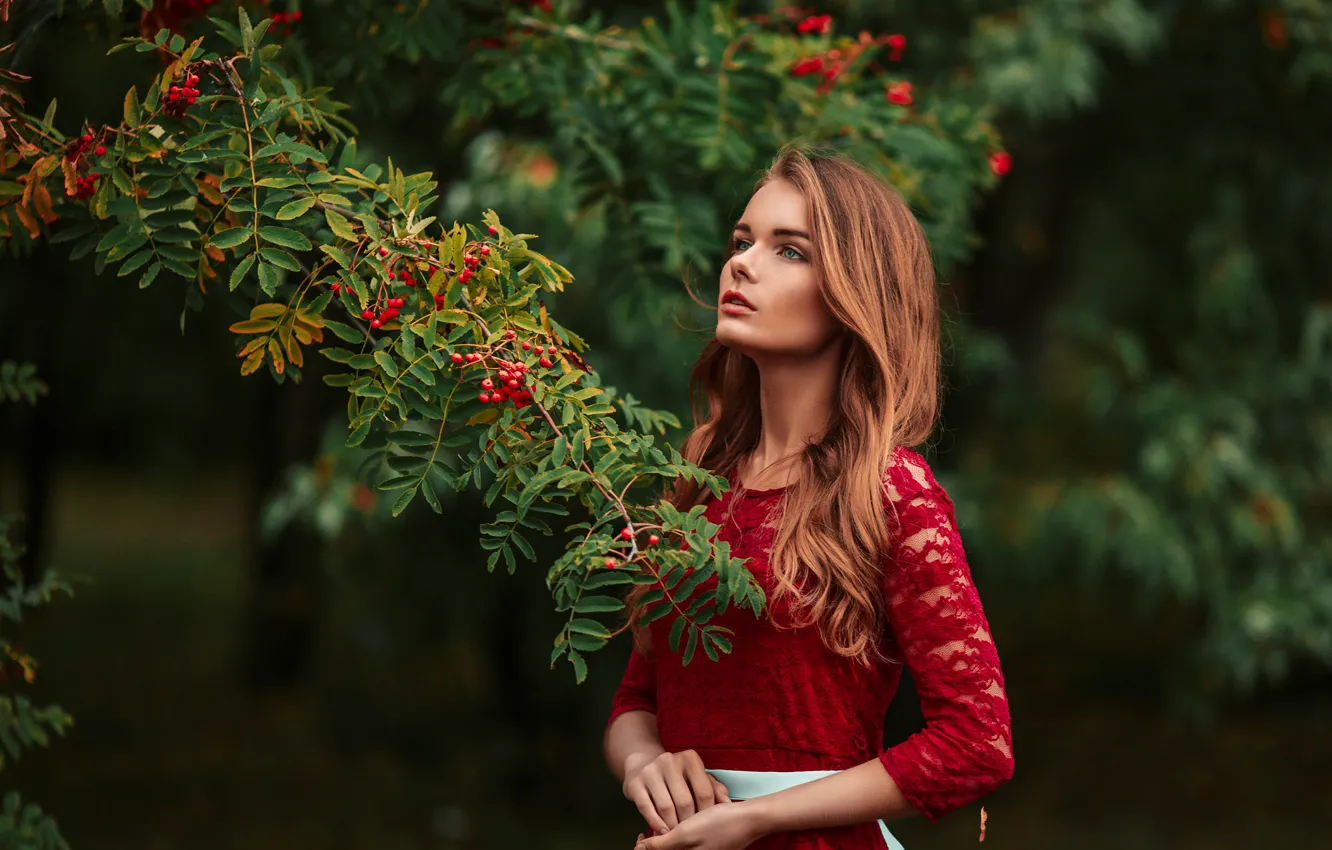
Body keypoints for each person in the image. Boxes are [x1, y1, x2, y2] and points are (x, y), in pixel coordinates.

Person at [602, 144, 1014, 850]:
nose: (742, 263)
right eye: (742, 241)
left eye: (789, 251)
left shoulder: (889, 490)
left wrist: (757, 816)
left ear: (855, 291)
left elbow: (978, 741)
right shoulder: (699, 475)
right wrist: (644, 763)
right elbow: (641, 696)